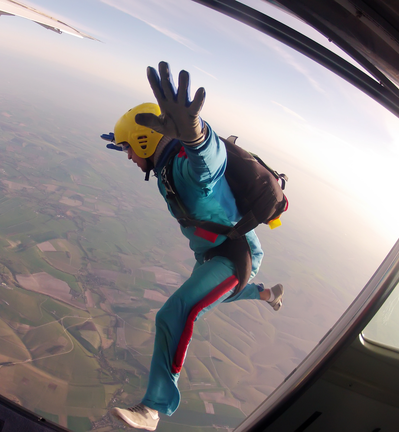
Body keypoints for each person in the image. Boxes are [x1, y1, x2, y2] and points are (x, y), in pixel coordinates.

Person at [101, 61, 284, 431]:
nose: (129, 157)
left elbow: (209, 166)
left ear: (144, 141)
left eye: (128, 148)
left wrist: (196, 136)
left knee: (176, 313)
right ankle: (268, 294)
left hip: (234, 255)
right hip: (211, 253)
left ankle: (152, 409)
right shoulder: (166, 166)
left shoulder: (185, 167)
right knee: (212, 297)